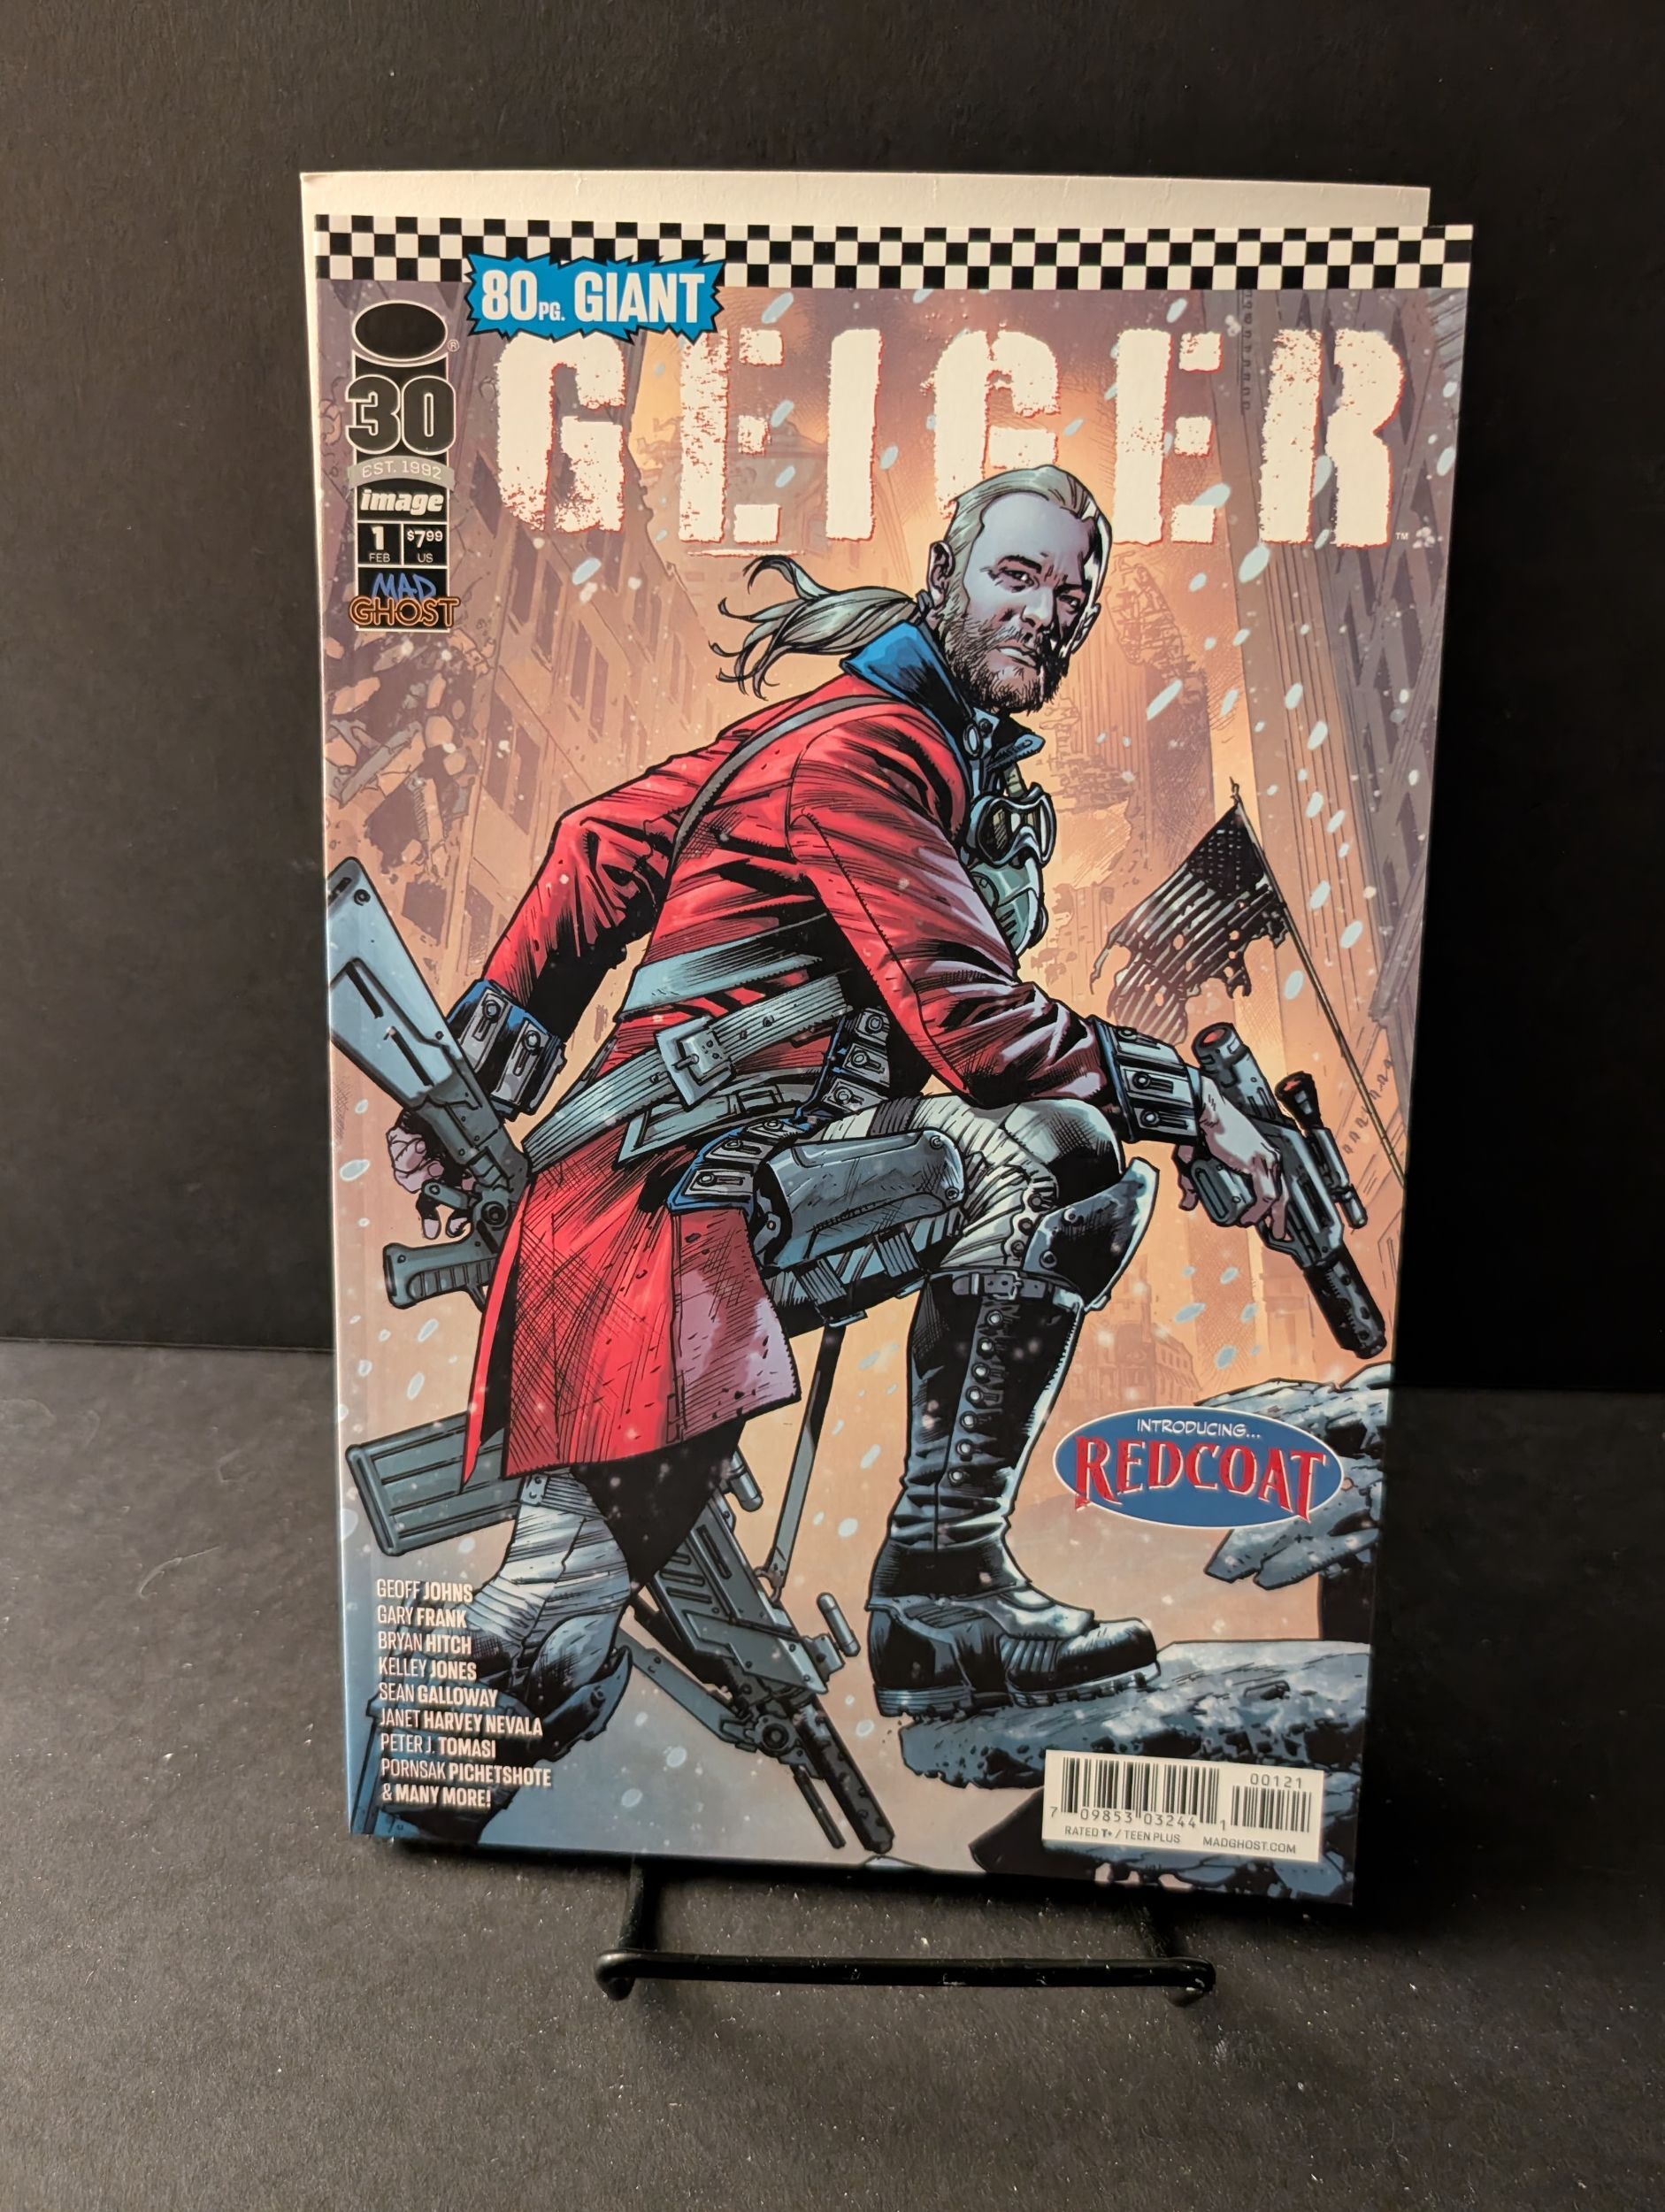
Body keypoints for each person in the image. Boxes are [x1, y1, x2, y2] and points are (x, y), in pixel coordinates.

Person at [377, 463, 1284, 1843]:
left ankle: (942, 1599)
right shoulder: (862, 751)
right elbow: (978, 1028)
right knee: (1058, 1152)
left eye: (1073, 592)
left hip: (732, 1195)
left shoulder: (855, 729)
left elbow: (601, 840)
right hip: (674, 1211)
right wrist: (1192, 1098)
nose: (1049, 612)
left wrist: (498, 1042)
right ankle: (935, 1604)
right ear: (944, 578)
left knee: (1053, 1164)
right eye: (1017, 575)